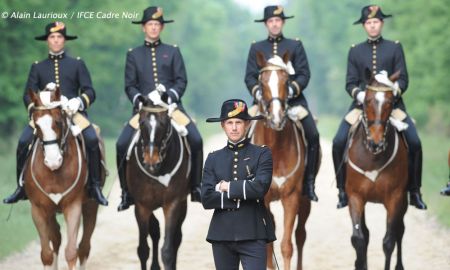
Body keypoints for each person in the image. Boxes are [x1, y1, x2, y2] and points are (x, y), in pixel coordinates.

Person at [3, 22, 108, 205]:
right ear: (47, 41)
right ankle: (21, 187)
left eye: (59, 37)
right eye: (52, 37)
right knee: (22, 142)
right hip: (45, 116)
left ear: (64, 40)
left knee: (91, 139)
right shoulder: (37, 67)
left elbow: (90, 91)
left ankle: (94, 186)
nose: (56, 40)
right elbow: (27, 96)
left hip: (72, 113)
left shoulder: (77, 64)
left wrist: (79, 101)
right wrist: (36, 109)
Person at [333, 5, 427, 209]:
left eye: (376, 22)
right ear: (364, 26)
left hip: (391, 106)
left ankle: (414, 191)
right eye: (369, 23)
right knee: (338, 140)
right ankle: (342, 190)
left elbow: (403, 79)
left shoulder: (394, 47)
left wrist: (394, 91)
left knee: (415, 142)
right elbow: (350, 82)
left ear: (382, 24)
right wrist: (359, 93)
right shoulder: (355, 50)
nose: (373, 26)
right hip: (361, 106)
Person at [116, 6, 203, 211]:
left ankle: (196, 187)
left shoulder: (172, 51)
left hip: (171, 108)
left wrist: (170, 95)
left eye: (157, 25)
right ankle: (126, 192)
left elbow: (181, 80)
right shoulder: (134, 54)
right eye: (150, 25)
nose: (153, 28)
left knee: (196, 139)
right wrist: (139, 99)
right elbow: (130, 85)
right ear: (143, 28)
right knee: (121, 144)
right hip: (144, 111)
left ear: (161, 27)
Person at [245, 5, 320, 202]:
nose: (274, 24)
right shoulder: (256, 47)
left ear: (283, 22)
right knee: (241, 134)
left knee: (313, 134)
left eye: (278, 20)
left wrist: (291, 90)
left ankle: (309, 182)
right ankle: (245, 183)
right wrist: (259, 94)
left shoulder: (295, 46)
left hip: (293, 102)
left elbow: (304, 74)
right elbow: (250, 77)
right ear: (266, 24)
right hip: (263, 103)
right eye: (271, 21)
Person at [202, 99, 276, 269]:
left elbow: (260, 188)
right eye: (229, 123)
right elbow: (206, 198)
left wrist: (225, 187)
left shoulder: (262, 154)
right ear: (223, 125)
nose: (234, 127)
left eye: (238, 122)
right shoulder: (213, 158)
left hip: (254, 233)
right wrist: (244, 192)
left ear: (247, 124)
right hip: (221, 235)